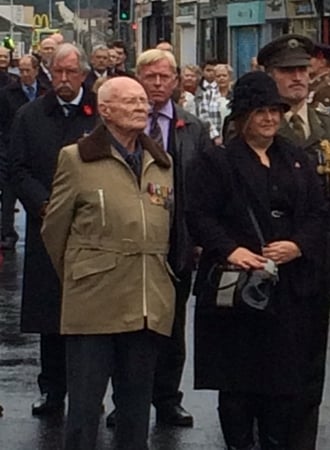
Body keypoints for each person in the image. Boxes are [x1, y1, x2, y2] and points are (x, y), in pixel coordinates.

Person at [187, 70, 325, 450]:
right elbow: (199, 215)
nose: (269, 118)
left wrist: (297, 246)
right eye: (260, 111)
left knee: (283, 387)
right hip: (237, 290)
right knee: (238, 386)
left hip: (288, 289)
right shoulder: (217, 161)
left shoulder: (295, 157)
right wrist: (232, 250)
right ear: (242, 116)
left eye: (275, 111)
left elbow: (318, 212)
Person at [39, 75, 173, 450]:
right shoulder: (76, 158)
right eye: (129, 101)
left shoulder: (161, 162)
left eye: (143, 101)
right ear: (105, 110)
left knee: (135, 412)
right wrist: (83, 274)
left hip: (146, 300)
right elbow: (55, 231)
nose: (140, 107)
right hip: (93, 302)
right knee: (84, 412)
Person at [103, 48, 209, 429]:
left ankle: (167, 398)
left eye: (166, 77)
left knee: (172, 327)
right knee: (126, 327)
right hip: (129, 245)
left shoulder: (193, 127)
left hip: (175, 243)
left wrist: (198, 237)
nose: (159, 84)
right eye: (151, 77)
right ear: (138, 79)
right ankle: (126, 402)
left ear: (177, 81)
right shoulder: (119, 127)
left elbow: (202, 185)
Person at [257, 34, 330, 450]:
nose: (299, 78)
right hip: (271, 259)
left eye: (303, 70)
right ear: (269, 74)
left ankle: (302, 440)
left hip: (318, 259)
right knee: (270, 361)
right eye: (288, 71)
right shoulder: (253, 123)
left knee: (313, 360)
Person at [10, 43, 98, 417]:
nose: (63, 80)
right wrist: (43, 204)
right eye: (57, 73)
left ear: (82, 75)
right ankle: (52, 389)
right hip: (48, 227)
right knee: (52, 312)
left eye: (70, 73)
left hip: (93, 229)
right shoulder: (30, 115)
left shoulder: (99, 114)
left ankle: (90, 390)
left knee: (93, 314)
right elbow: (17, 168)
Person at [0, 55, 46, 251]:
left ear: (36, 70)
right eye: (21, 71)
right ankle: (7, 232)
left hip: (38, 149)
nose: (24, 75)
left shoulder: (45, 92)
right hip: (13, 149)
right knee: (9, 192)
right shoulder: (7, 93)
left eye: (28, 70)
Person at [308, 44, 330, 113]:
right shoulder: (316, 84)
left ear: (322, 62)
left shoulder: (327, 88)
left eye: (310, 58)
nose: (307, 62)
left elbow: (322, 119)